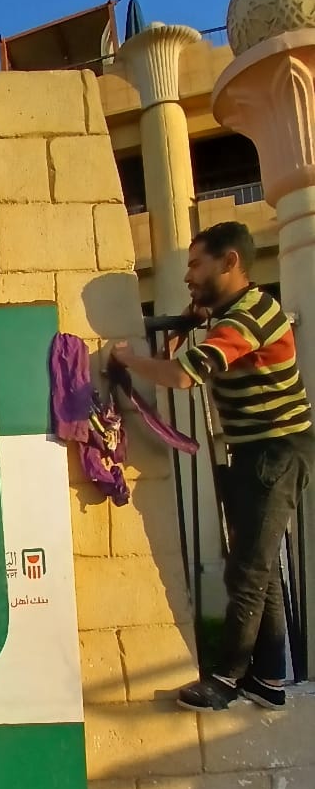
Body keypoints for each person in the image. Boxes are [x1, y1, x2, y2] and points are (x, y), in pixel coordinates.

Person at [110, 221, 315, 712]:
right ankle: (268, 678)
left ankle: (226, 678)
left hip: (277, 451)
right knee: (257, 566)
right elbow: (181, 354)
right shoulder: (233, 313)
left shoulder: (250, 316)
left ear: (230, 262)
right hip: (256, 452)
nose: (187, 276)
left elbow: (183, 375)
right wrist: (188, 321)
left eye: (196, 264)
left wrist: (127, 360)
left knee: (248, 569)